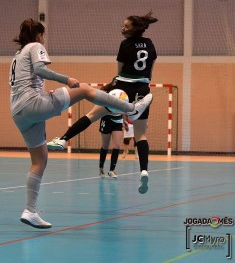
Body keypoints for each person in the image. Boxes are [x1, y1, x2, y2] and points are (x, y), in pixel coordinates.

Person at [9, 18, 152, 229]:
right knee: (84, 89)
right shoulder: (35, 46)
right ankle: (131, 108)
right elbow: (39, 69)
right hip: (33, 103)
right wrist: (65, 79)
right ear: (39, 35)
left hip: (18, 112)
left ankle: (30, 210)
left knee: (40, 160)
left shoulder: (17, 55)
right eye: (43, 36)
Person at [48, 11, 158, 195]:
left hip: (122, 88)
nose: (122, 28)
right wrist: (143, 85)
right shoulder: (150, 44)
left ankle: (63, 139)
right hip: (143, 90)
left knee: (92, 115)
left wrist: (110, 86)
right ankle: (144, 170)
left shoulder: (125, 45)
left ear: (135, 29)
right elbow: (150, 72)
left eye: (126, 26)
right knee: (141, 134)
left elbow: (120, 72)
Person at [97, 83, 125, 179]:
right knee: (105, 146)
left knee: (117, 146)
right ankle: (101, 167)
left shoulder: (123, 94)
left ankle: (112, 170)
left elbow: (125, 107)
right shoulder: (107, 93)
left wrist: (124, 121)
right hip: (106, 119)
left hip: (118, 120)